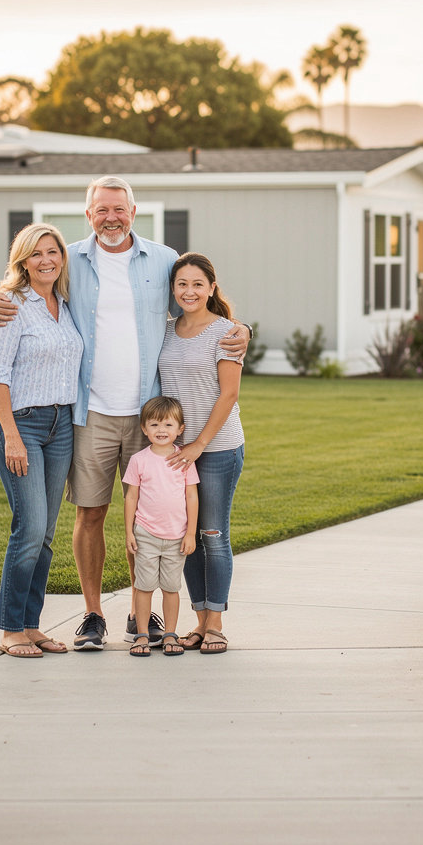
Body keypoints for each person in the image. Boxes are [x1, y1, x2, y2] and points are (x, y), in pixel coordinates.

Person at [0, 177, 249, 651]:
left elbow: (196, 302)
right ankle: (92, 614)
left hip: (150, 418)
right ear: (88, 215)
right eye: (101, 209)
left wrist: (239, 327)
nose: (111, 218)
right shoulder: (70, 264)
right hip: (89, 413)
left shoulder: (164, 260)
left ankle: (137, 614)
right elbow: (23, 293)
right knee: (91, 513)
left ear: (133, 210)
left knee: (147, 515)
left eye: (118, 209)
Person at [0, 223, 82, 658]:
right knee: (29, 528)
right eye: (37, 254)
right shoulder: (8, 306)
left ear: (62, 257)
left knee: (45, 533)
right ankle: (9, 629)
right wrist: (12, 437)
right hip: (19, 423)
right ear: (22, 261)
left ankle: (31, 624)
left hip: (62, 426)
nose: (47, 260)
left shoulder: (66, 304)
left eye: (53, 252)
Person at [159, 253, 245, 655]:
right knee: (185, 537)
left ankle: (216, 623)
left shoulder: (227, 332)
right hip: (176, 453)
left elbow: (229, 394)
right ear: (173, 290)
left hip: (217, 449)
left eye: (197, 284)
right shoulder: (166, 330)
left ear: (211, 287)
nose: (189, 291)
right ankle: (198, 620)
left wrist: (198, 445)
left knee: (212, 534)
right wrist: (179, 446)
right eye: (181, 284)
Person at [122, 396, 199, 658]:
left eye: (168, 425)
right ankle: (141, 634)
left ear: (180, 429)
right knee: (143, 587)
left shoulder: (184, 460)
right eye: (154, 425)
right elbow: (131, 496)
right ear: (144, 429)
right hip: (146, 534)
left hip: (177, 537)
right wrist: (129, 532)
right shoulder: (139, 460)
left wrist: (190, 534)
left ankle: (170, 634)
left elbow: (191, 496)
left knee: (171, 587)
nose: (161, 430)